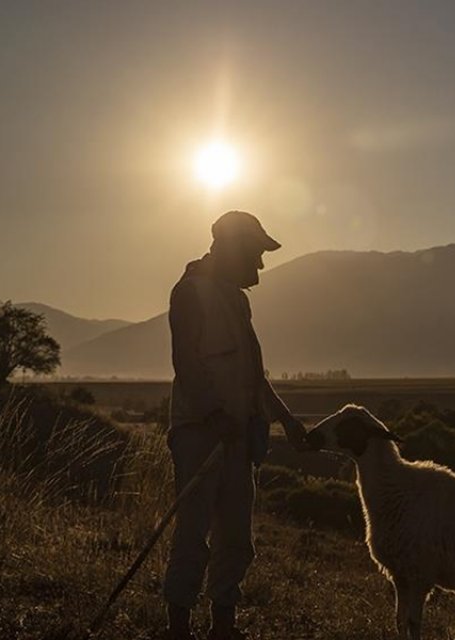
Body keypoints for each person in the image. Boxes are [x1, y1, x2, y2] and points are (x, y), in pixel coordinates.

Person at [163, 210, 308, 640]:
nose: (260, 264)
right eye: (256, 253)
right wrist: (214, 416)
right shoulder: (189, 292)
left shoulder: (238, 300)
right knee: (193, 532)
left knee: (236, 536)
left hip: (239, 436)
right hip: (199, 434)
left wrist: (286, 420)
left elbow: (254, 376)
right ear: (232, 248)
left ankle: (223, 626)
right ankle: (179, 628)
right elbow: (186, 363)